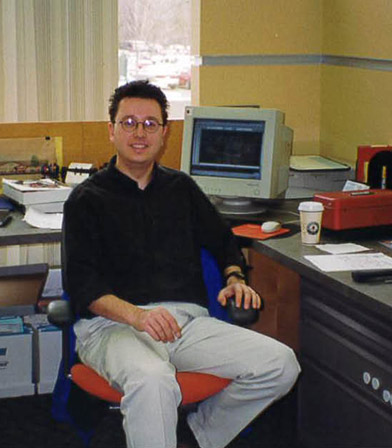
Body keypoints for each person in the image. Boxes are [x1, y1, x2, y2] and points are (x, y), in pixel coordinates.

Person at [61, 80, 300, 448]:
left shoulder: (181, 189)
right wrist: (138, 316)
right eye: (128, 122)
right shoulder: (86, 201)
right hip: (113, 327)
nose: (139, 133)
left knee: (281, 364)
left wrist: (235, 277)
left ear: (164, 133)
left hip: (184, 324)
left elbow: (223, 240)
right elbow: (82, 287)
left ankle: (199, 435)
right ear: (111, 131)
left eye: (150, 124)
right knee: (153, 379)